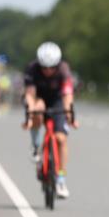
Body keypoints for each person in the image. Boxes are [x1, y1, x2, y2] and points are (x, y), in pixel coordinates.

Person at [23, 42, 78, 198]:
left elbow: (68, 94)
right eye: (44, 67)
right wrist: (31, 111)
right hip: (39, 98)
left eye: (51, 67)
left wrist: (69, 114)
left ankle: (61, 179)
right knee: (38, 110)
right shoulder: (32, 69)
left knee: (61, 139)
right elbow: (30, 94)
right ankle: (35, 146)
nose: (47, 70)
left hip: (57, 100)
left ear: (57, 64)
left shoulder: (64, 70)